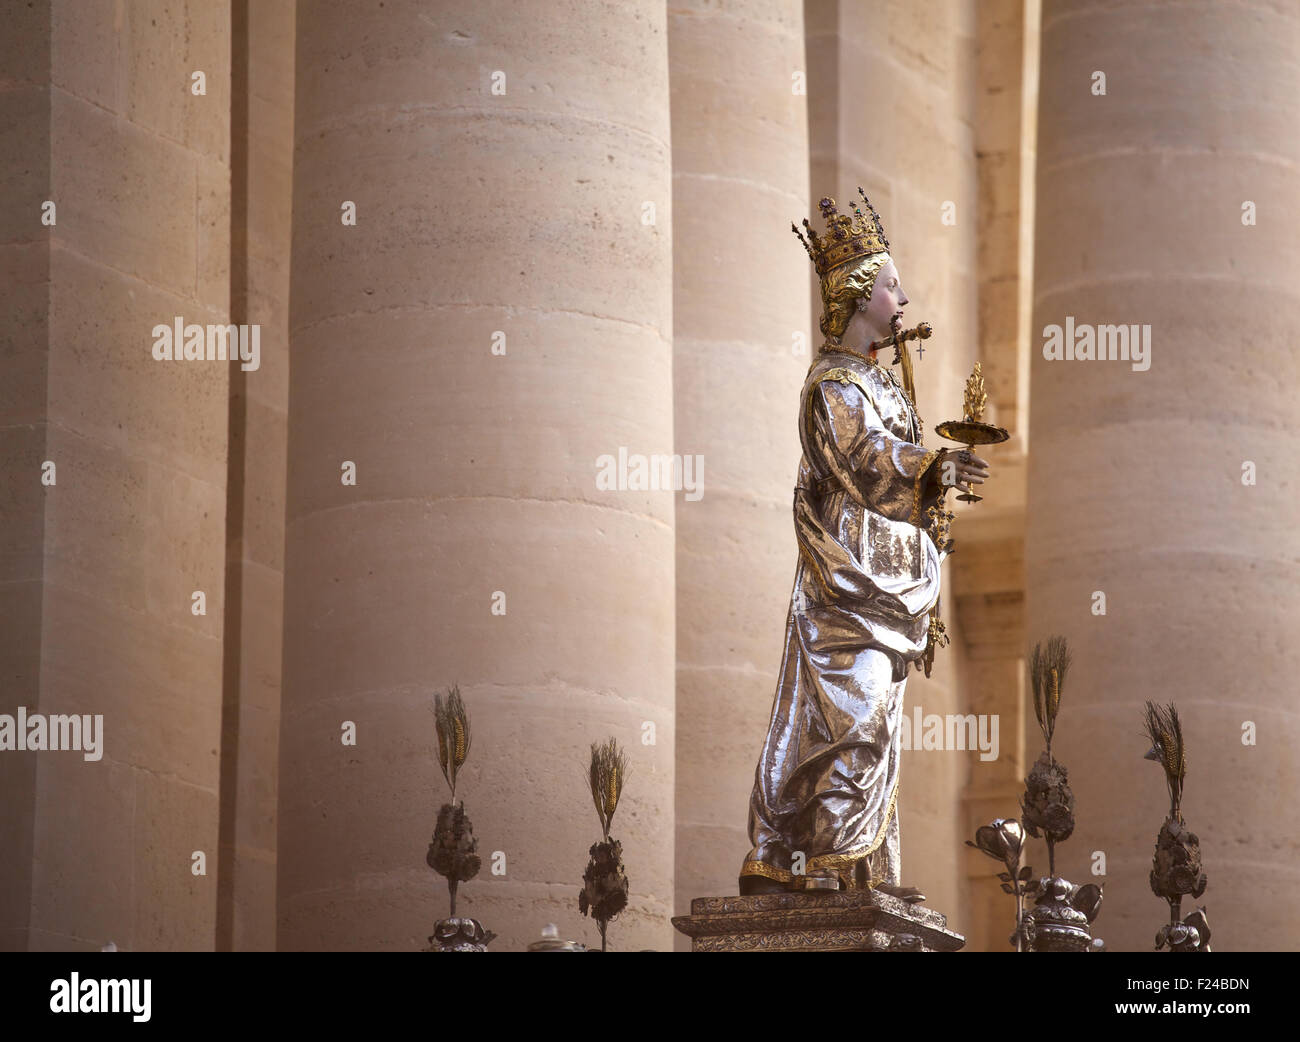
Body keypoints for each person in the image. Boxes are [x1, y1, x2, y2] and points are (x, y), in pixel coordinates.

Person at [739, 193, 990, 898]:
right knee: (859, 716)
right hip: (849, 584)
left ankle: (854, 866)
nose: (903, 296)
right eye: (889, 284)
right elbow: (867, 458)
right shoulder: (833, 386)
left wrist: (936, 493)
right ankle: (823, 859)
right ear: (856, 295)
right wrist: (929, 468)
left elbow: (897, 462)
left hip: (888, 583)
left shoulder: (882, 382)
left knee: (873, 727)